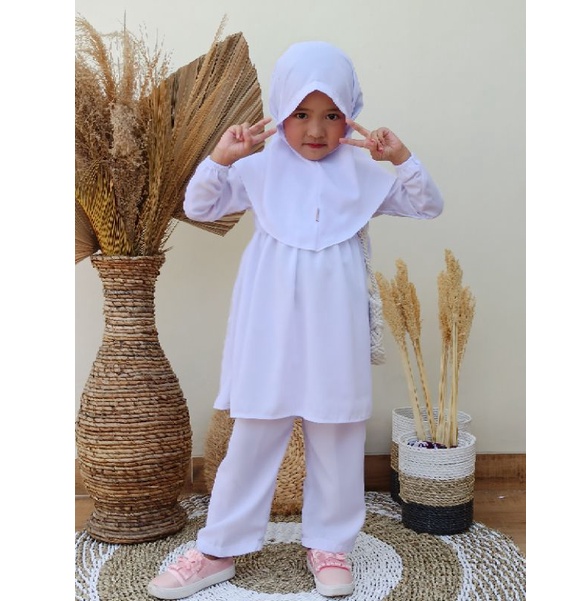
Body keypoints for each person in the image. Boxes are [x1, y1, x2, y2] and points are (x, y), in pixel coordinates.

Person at [148, 40, 443, 600]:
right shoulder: (257, 169)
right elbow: (199, 206)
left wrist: (400, 156)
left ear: (350, 115)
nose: (316, 129)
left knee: (336, 431)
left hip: (336, 327)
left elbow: (427, 204)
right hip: (269, 324)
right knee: (255, 432)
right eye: (301, 113)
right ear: (280, 111)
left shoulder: (362, 174)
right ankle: (218, 549)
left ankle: (330, 543)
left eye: (332, 115)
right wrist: (222, 157)